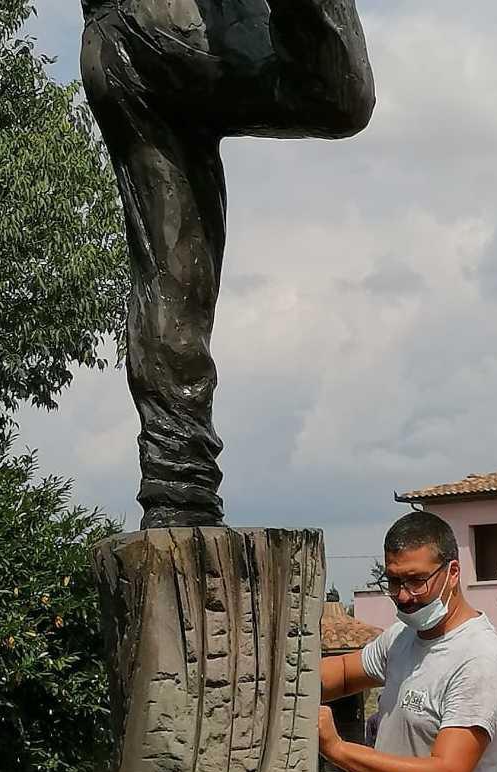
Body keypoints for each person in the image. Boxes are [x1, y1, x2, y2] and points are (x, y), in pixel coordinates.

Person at [80, 0, 374, 528]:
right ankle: (180, 487)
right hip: (177, 23)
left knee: (172, 277)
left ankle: (178, 491)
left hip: (113, 43)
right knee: (338, 93)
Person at [318, 511, 497, 772]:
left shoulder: (479, 660)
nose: (404, 596)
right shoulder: (403, 639)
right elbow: (345, 673)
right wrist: (269, 679)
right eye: (394, 581)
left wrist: (337, 749)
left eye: (416, 581)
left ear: (453, 572)